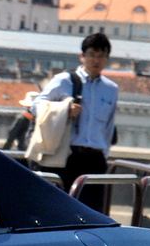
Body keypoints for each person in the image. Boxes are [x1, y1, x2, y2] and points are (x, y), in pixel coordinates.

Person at [34, 32, 119, 209]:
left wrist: (104, 152)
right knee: (59, 209)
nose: (96, 61)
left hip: (95, 158)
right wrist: (64, 109)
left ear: (107, 59)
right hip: (67, 154)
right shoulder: (65, 80)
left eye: (101, 56)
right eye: (91, 55)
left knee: (92, 212)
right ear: (82, 56)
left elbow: (109, 125)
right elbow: (36, 106)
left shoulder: (110, 89)